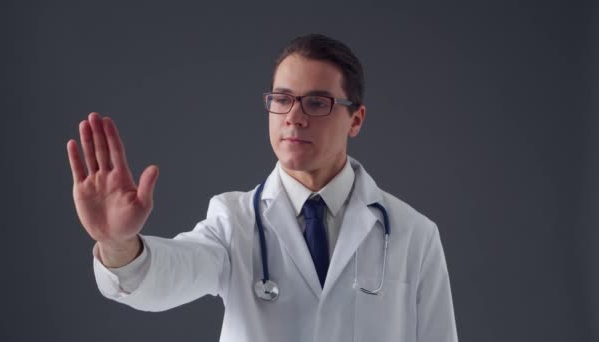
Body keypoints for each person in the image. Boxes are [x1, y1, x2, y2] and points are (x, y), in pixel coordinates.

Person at [66, 33, 458, 342]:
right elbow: (170, 276)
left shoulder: (413, 235)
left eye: (317, 103)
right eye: (282, 100)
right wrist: (118, 244)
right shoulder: (233, 219)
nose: (294, 118)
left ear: (355, 119)